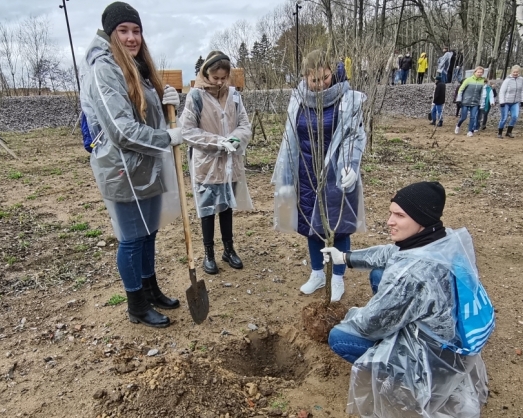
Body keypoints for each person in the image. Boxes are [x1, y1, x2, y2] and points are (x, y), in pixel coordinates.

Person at [321, 181, 492, 417]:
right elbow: (391, 253)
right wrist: (345, 257)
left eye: (399, 215)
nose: (390, 221)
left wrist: (349, 314)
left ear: (421, 219)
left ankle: (408, 385)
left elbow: (370, 324)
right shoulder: (442, 241)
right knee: (380, 274)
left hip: (432, 361)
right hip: (451, 339)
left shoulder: (413, 275)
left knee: (340, 337)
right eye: (391, 213)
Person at [81, 1, 184, 328]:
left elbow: (148, 116)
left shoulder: (137, 66)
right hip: (121, 169)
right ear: (111, 34)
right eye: (123, 31)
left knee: (149, 233)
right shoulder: (104, 68)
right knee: (131, 238)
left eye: (136, 31)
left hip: (146, 165)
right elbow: (121, 130)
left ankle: (151, 289)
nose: (131, 37)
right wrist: (167, 139)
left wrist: (170, 103)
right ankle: (136, 305)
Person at [272, 49, 367, 302]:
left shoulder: (348, 100)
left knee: (339, 227)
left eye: (325, 77)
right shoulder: (298, 99)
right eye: (313, 80)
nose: (320, 84)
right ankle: (316, 273)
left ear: (332, 72)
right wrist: (285, 177)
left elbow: (355, 136)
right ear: (304, 77)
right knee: (311, 227)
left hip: (337, 174)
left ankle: (337, 277)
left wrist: (351, 165)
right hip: (305, 173)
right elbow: (289, 137)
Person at [180, 51, 253, 275]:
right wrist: (217, 142)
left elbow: (244, 125)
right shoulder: (196, 96)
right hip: (206, 162)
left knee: (227, 206)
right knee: (207, 208)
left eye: (224, 77)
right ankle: (209, 253)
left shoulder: (234, 95)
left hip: (230, 160)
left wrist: (234, 139)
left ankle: (229, 249)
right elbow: (187, 131)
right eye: (215, 78)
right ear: (206, 74)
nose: (220, 82)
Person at [455, 66, 486, 137]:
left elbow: (481, 93)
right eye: (478, 72)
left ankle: (469, 131)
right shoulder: (468, 80)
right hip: (466, 101)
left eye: (481, 72)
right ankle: (458, 125)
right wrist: (459, 99)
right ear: (475, 72)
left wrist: (481, 102)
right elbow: (461, 89)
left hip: (475, 102)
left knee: (473, 117)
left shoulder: (482, 81)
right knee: (463, 117)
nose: (479, 74)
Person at [497, 65, 523, 138]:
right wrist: (502, 101)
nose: (515, 73)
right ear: (511, 72)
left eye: (517, 72)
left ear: (519, 72)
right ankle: (500, 133)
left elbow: (522, 90)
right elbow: (502, 92)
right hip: (506, 102)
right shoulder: (507, 80)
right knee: (504, 118)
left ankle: (509, 132)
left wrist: (522, 100)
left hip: (515, 102)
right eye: (514, 72)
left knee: (514, 116)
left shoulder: (521, 80)